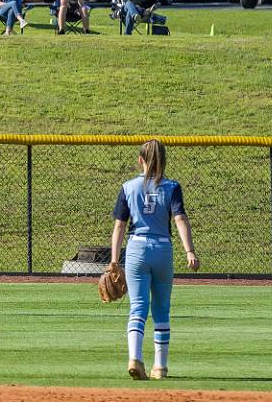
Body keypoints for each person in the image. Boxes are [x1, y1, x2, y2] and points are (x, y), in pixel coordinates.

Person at [110, 139, 200, 380]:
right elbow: (179, 219)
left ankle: (134, 358)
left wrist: (113, 260)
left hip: (136, 249)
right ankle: (160, 367)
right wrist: (189, 251)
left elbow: (120, 226)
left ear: (140, 160)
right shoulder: (172, 186)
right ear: (164, 160)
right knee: (161, 310)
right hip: (162, 250)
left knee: (138, 307)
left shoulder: (128, 186)